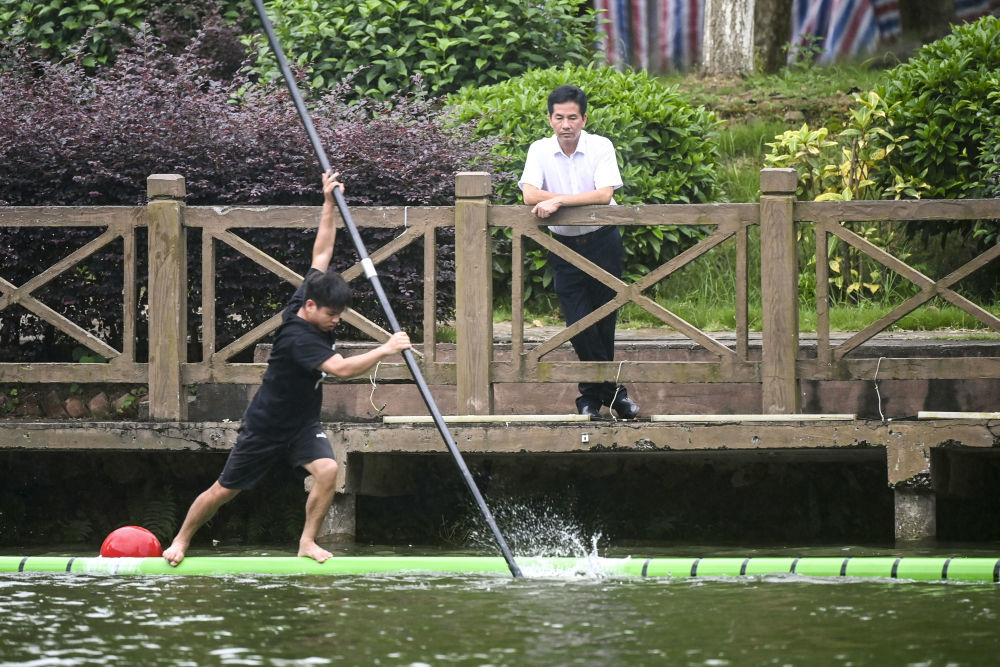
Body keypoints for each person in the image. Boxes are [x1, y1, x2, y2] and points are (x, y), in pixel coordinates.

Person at [163, 171, 412, 566]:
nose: (336, 322)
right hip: (266, 426)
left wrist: (328, 202)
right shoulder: (299, 337)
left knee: (328, 470)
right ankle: (180, 540)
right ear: (311, 308)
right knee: (224, 491)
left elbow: (321, 254)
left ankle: (307, 542)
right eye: (332, 316)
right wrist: (385, 349)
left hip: (300, 425)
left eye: (339, 315)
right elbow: (342, 370)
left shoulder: (308, 296)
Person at [518, 84, 639, 420]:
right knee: (579, 322)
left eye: (573, 117)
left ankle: (589, 399)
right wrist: (549, 199)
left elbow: (603, 195)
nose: (566, 124)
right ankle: (614, 395)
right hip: (564, 247)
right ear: (550, 119)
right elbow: (529, 194)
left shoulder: (601, 146)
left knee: (604, 322)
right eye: (559, 118)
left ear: (584, 118)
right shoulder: (539, 150)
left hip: (603, 242)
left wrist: (557, 200)